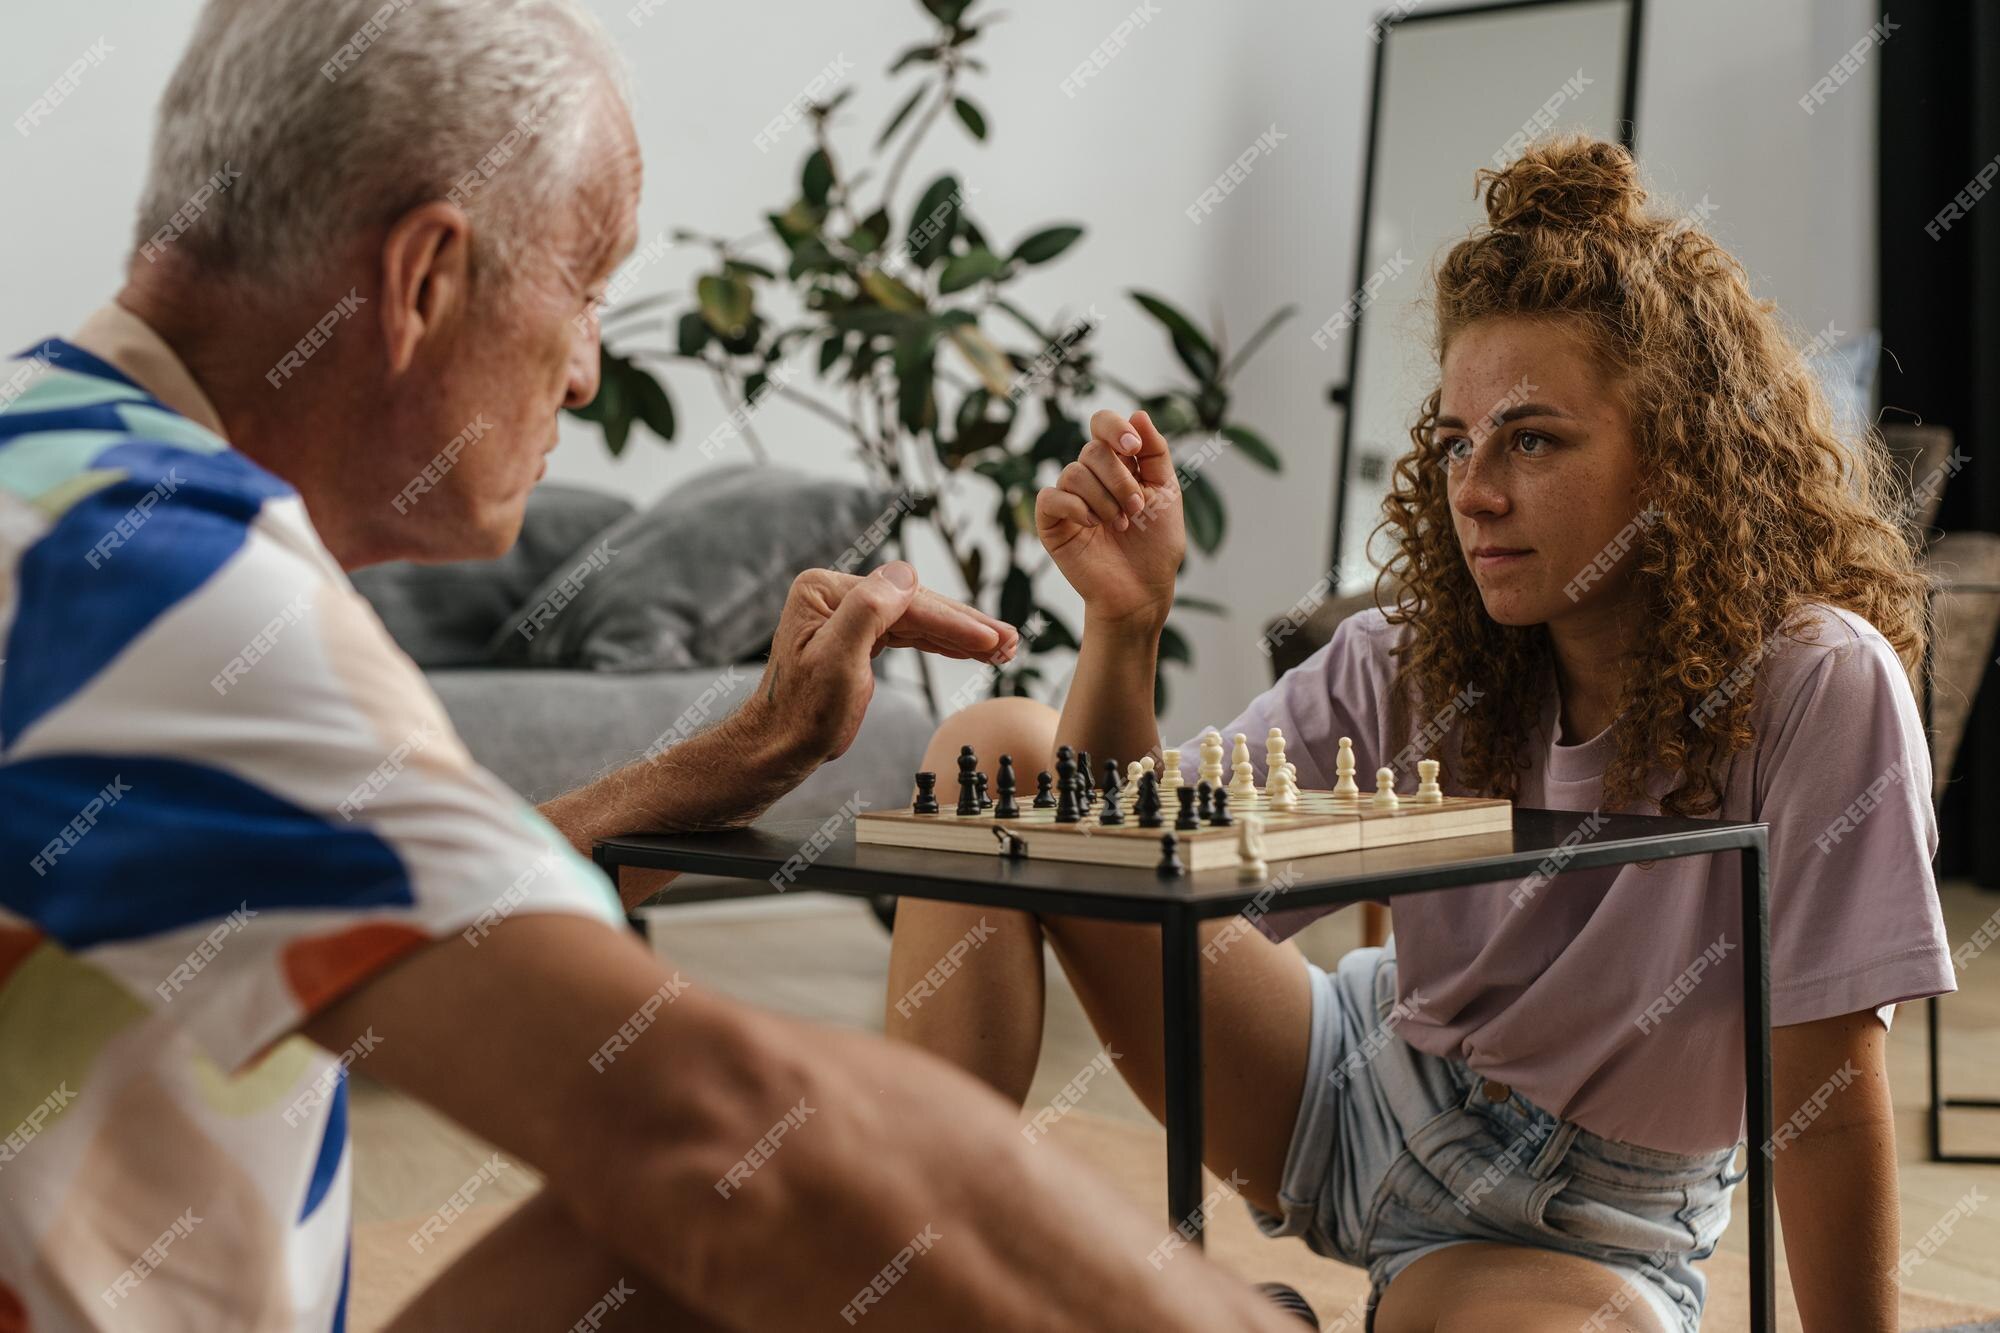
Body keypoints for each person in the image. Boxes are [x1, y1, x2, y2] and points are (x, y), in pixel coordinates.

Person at [0, 2, 1308, 1329]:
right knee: (775, 1162)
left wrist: (751, 754)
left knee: (712, 1219)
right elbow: (721, 1132)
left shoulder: (58, 478)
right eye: (585, 287)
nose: (588, 370)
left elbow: (374, 880)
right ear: (424, 281)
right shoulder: (165, 588)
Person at [886, 133, 1957, 1333]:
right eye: (1456, 441)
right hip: (1343, 1074)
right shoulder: (1410, 657)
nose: (1473, 488)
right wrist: (1124, 628)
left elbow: (1824, 1093)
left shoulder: (1813, 682)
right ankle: (901, 1262)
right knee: (994, 755)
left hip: (1573, 1219)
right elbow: (1138, 861)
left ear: (1676, 458)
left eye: (1531, 439)